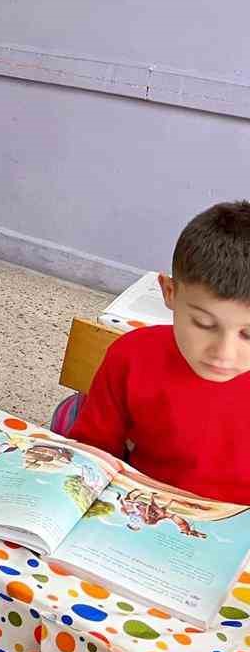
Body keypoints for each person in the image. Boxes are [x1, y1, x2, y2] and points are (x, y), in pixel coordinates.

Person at [69, 202, 250, 504]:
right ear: (170, 293)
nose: (224, 353)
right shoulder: (132, 357)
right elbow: (91, 455)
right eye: (203, 324)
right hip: (137, 511)